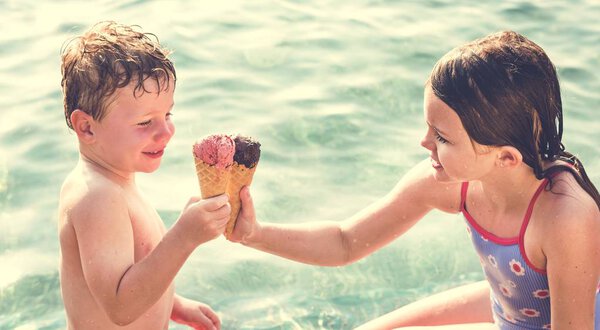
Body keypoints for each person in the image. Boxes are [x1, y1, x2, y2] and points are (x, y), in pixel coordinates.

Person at [228, 31, 600, 329]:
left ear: (505, 157)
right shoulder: (451, 181)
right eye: (429, 128)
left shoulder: (564, 218)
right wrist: (253, 233)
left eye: (442, 137)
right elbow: (344, 242)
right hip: (507, 304)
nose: (424, 143)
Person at [58, 21, 228, 330]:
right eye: (145, 122)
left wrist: (173, 305)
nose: (166, 131)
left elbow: (127, 272)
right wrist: (185, 236)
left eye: (167, 115)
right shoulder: (97, 197)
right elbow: (120, 306)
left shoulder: (115, 183)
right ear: (87, 127)